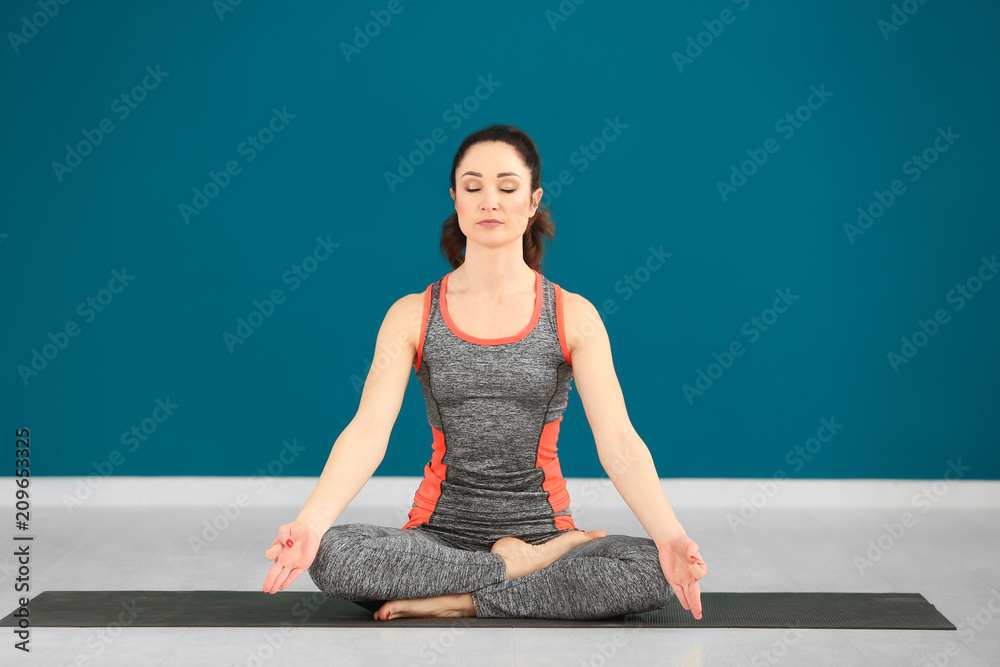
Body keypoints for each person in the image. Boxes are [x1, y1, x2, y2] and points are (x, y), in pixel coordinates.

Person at [261, 124, 707, 621]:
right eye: (473, 187)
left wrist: (670, 536)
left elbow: (618, 440)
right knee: (336, 553)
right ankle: (514, 575)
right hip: (439, 538)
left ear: (533, 200)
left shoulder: (572, 315)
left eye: (507, 188)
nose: (489, 201)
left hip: (546, 532)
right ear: (455, 199)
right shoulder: (413, 314)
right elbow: (368, 431)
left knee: (647, 568)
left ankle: (465, 599)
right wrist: (309, 523)